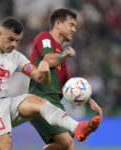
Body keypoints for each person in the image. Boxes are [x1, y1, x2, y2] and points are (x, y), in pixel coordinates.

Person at [0, 17, 100, 150]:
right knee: (6, 145)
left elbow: (39, 77)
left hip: (5, 102)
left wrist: (45, 71)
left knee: (36, 100)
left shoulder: (16, 57)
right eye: (11, 39)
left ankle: (77, 127)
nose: (14, 44)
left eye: (17, 40)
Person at [29, 8, 103, 150]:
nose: (74, 30)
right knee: (67, 143)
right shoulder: (45, 38)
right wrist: (66, 53)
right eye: (71, 25)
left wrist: (90, 100)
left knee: (62, 145)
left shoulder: (60, 54)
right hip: (40, 101)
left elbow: (68, 84)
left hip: (55, 104)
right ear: (58, 24)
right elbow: (48, 60)